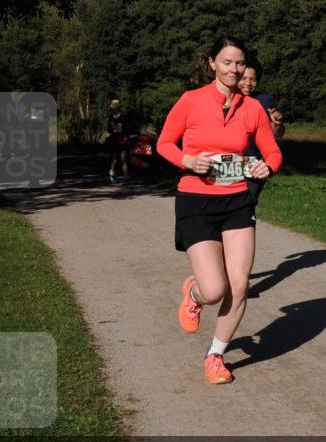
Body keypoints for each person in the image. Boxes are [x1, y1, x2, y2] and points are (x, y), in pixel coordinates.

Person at [156, 36, 282, 385]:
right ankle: (195, 294)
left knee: (239, 285)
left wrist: (266, 168)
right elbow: (164, 143)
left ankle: (215, 355)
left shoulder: (252, 108)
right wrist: (187, 160)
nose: (234, 69)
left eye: (239, 63)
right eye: (227, 62)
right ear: (212, 63)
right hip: (196, 199)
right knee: (215, 290)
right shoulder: (190, 101)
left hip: (237, 199)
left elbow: (272, 152)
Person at [238, 56, 285, 205]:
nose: (248, 83)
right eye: (244, 78)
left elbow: (278, 134)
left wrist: (278, 122)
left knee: (246, 207)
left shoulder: (264, 100)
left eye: (253, 79)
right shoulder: (226, 98)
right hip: (228, 163)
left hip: (253, 165)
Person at [106, 99, 131, 183]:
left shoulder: (123, 117)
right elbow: (109, 130)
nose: (110, 107)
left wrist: (126, 137)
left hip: (122, 141)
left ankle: (126, 176)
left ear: (116, 107)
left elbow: (127, 129)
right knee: (114, 160)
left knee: (123, 159)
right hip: (114, 141)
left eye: (112, 105)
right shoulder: (110, 118)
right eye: (110, 105)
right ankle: (112, 173)